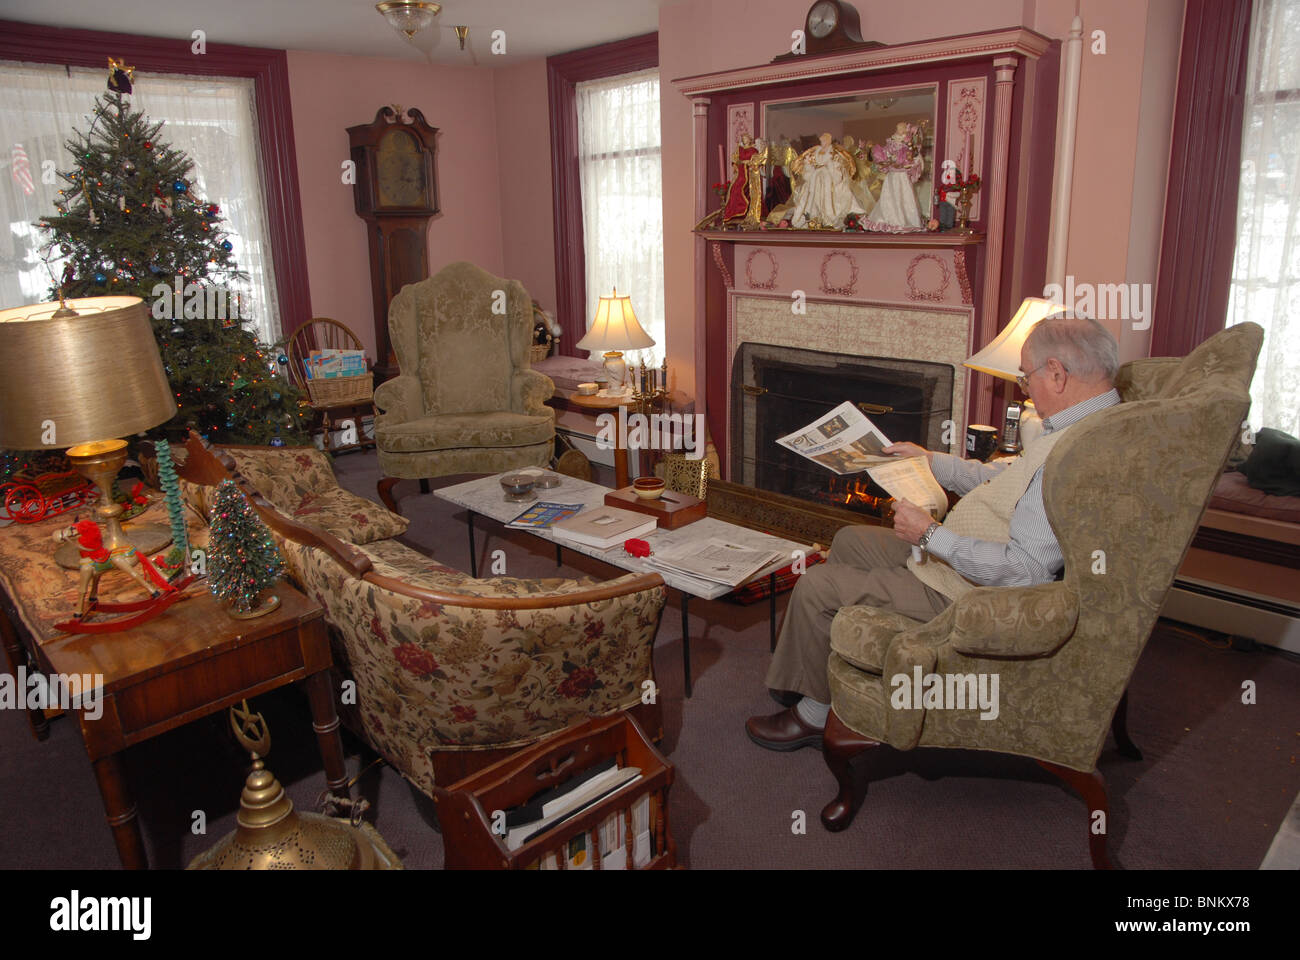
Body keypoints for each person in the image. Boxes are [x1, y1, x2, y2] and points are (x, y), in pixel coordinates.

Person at [746, 313, 1123, 750]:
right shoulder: (1080, 426)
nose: (1027, 389)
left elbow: (1026, 571)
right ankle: (814, 672)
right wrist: (931, 460)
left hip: (970, 591)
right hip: (962, 556)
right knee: (850, 539)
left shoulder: (1073, 455)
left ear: (1056, 373)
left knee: (816, 584)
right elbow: (1004, 480)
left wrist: (929, 535)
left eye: (1026, 378)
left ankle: (813, 714)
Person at [789, 133, 865, 229]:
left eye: (824, 141)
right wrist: (809, 168)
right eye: (821, 141)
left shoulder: (833, 153)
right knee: (810, 196)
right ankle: (812, 218)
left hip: (828, 178)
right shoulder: (816, 152)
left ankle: (829, 218)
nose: (823, 143)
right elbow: (808, 167)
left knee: (833, 194)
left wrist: (830, 167)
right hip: (815, 178)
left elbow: (838, 169)